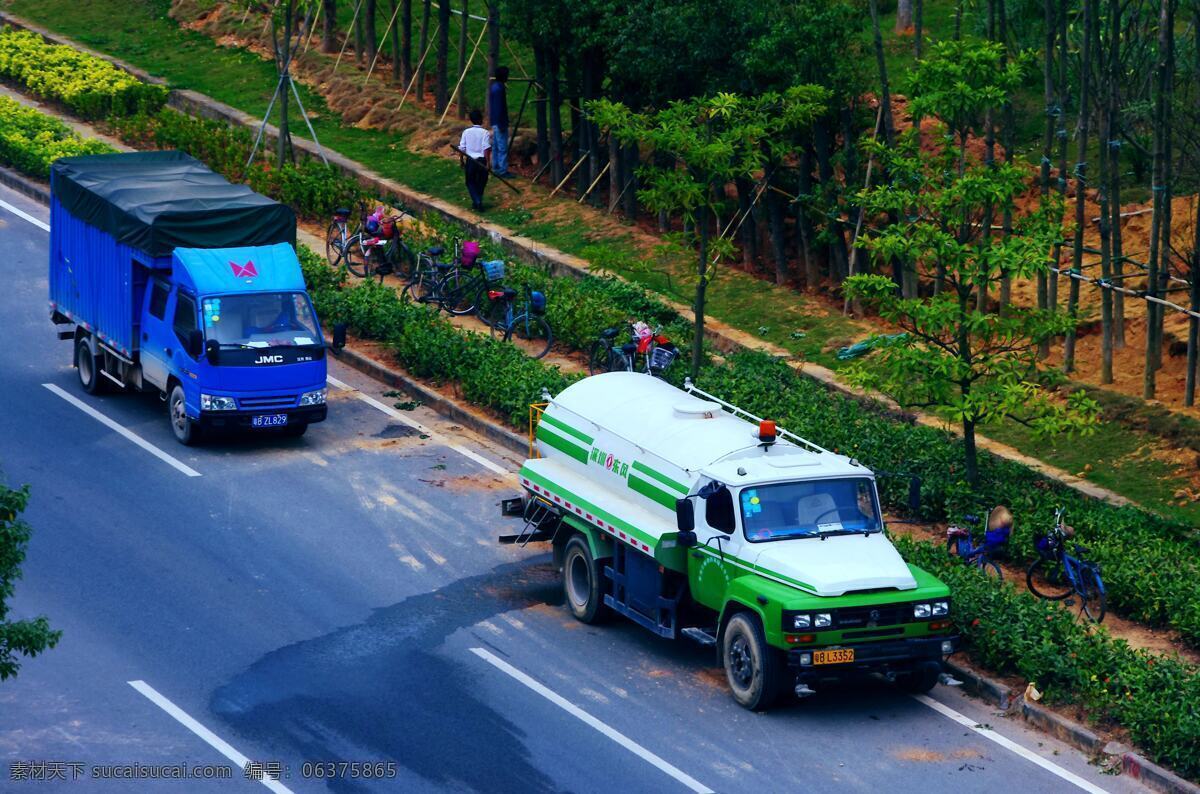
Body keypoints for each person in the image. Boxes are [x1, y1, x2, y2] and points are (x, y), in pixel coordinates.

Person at [458, 109, 490, 211]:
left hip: (471, 161)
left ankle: (477, 201)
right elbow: (486, 148)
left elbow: (462, 148)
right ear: (481, 119)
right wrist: (488, 163)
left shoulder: (466, 132)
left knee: (470, 181)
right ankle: (478, 200)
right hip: (482, 161)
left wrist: (461, 160)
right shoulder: (485, 132)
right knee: (482, 181)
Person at [488, 66, 511, 177]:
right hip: (500, 121)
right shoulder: (499, 88)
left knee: (496, 146)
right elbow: (499, 107)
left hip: (495, 121)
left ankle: (495, 166)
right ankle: (502, 170)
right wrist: (502, 123)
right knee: (502, 147)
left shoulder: (494, 87)